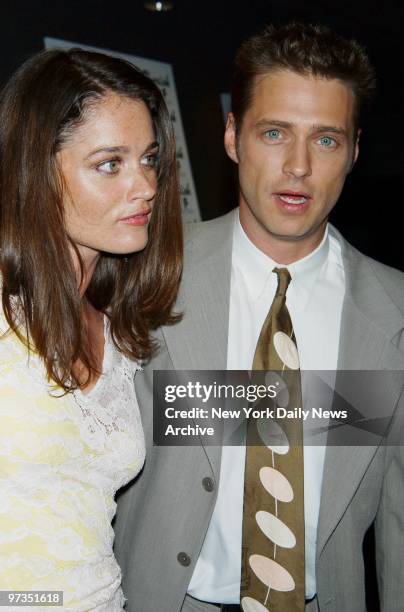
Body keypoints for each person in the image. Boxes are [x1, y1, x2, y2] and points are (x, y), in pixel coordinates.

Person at [114, 22, 404, 612]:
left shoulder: (395, 311)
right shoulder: (145, 271)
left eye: (325, 140)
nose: (298, 166)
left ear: (353, 150)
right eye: (274, 133)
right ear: (232, 136)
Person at [0, 48, 182, 610]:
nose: (145, 185)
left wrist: (343, 411)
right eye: (110, 163)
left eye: (149, 159)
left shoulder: (118, 331)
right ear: (37, 168)